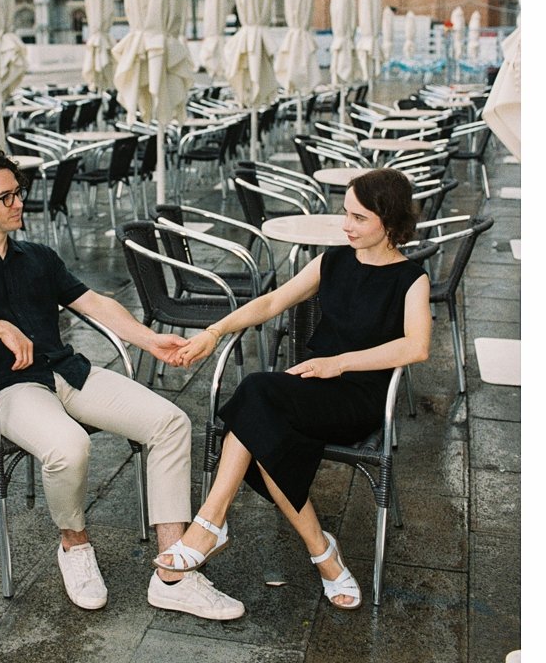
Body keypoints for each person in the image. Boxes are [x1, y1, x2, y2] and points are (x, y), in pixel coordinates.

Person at [0, 149, 244, 620]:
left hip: (67, 372)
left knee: (171, 421)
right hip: (4, 389)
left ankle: (174, 571)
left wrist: (151, 342)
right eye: (3, 198)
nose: (18, 203)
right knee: (69, 447)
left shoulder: (37, 257)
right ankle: (74, 545)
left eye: (18, 193)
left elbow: (95, 304)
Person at [161, 169, 430, 610]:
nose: (346, 225)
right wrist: (213, 331)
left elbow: (416, 346)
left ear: (390, 221)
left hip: (358, 398)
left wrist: (338, 362)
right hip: (308, 387)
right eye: (346, 213)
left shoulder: (410, 278)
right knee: (264, 420)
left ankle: (213, 525)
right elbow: (272, 302)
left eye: (359, 218)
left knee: (256, 401)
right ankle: (319, 553)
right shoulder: (334, 260)